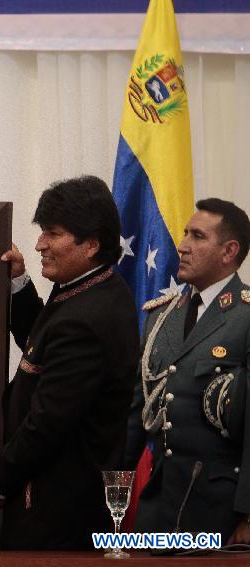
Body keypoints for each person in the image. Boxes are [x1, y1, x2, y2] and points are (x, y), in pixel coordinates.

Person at [0, 175, 139, 550]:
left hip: (59, 517)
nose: (41, 243)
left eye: (53, 233)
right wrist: (19, 283)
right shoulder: (91, 288)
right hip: (48, 501)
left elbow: (48, 421)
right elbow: (42, 346)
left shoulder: (90, 316)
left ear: (91, 243)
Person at [126, 198, 250, 545]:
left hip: (221, 511)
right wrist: (112, 494)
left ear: (229, 251)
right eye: (184, 234)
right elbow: (135, 416)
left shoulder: (245, 316)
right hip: (159, 507)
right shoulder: (162, 316)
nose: (182, 246)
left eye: (197, 236)